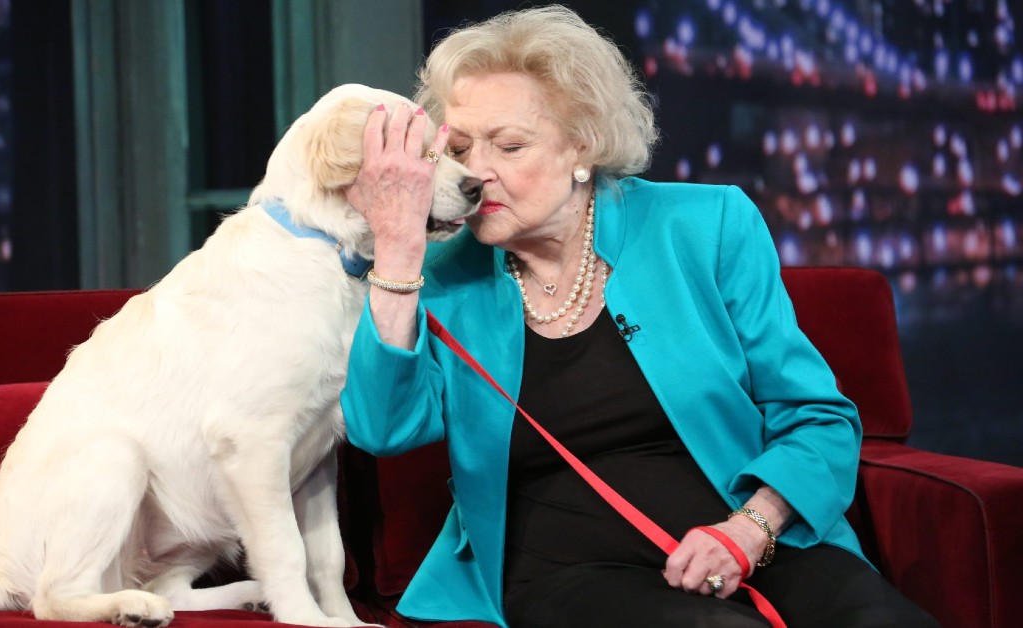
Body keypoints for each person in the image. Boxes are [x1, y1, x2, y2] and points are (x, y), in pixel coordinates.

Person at [340, 6, 939, 628]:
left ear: (584, 145)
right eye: (459, 147)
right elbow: (383, 429)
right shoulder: (437, 274)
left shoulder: (707, 226)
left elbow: (820, 417)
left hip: (752, 545)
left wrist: (750, 529)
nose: (475, 171)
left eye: (510, 145)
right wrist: (399, 246)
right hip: (569, 573)